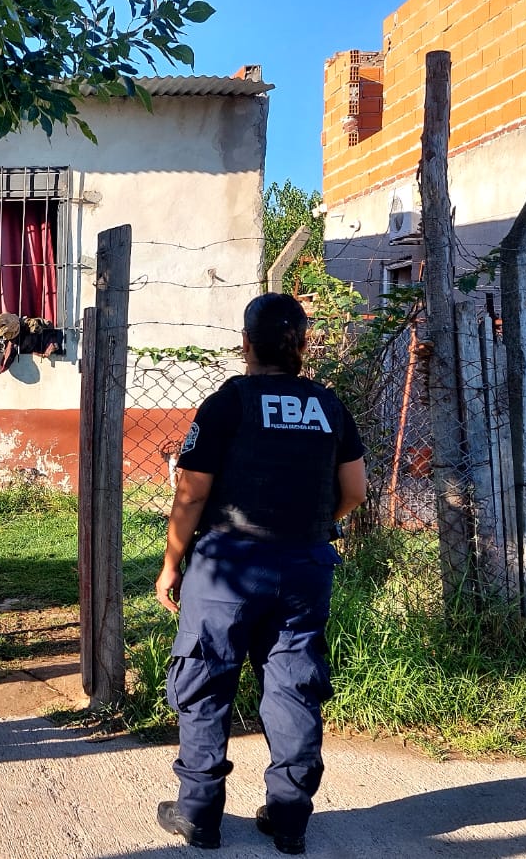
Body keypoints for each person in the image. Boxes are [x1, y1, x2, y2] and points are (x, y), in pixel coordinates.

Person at [153, 293, 368, 855]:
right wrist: (311, 525)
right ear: (302, 345)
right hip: (303, 568)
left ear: (245, 344)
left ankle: (199, 814)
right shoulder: (329, 406)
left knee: (205, 680)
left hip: (228, 568)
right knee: (294, 685)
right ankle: (290, 818)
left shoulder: (227, 404)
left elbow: (191, 494)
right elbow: (355, 490)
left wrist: (172, 563)